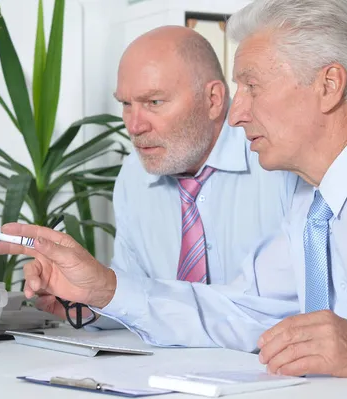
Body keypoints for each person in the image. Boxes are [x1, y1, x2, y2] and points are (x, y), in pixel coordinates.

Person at [0, 0, 347, 393]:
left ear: (328, 85)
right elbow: (239, 311)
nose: (235, 114)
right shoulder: (310, 205)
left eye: (251, 86)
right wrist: (104, 290)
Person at [27, 25, 296, 329]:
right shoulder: (134, 172)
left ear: (214, 100)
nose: (134, 125)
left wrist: (110, 291)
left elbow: (273, 310)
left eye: (154, 102)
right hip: (163, 370)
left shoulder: (280, 160)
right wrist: (86, 302)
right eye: (126, 104)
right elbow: (136, 293)